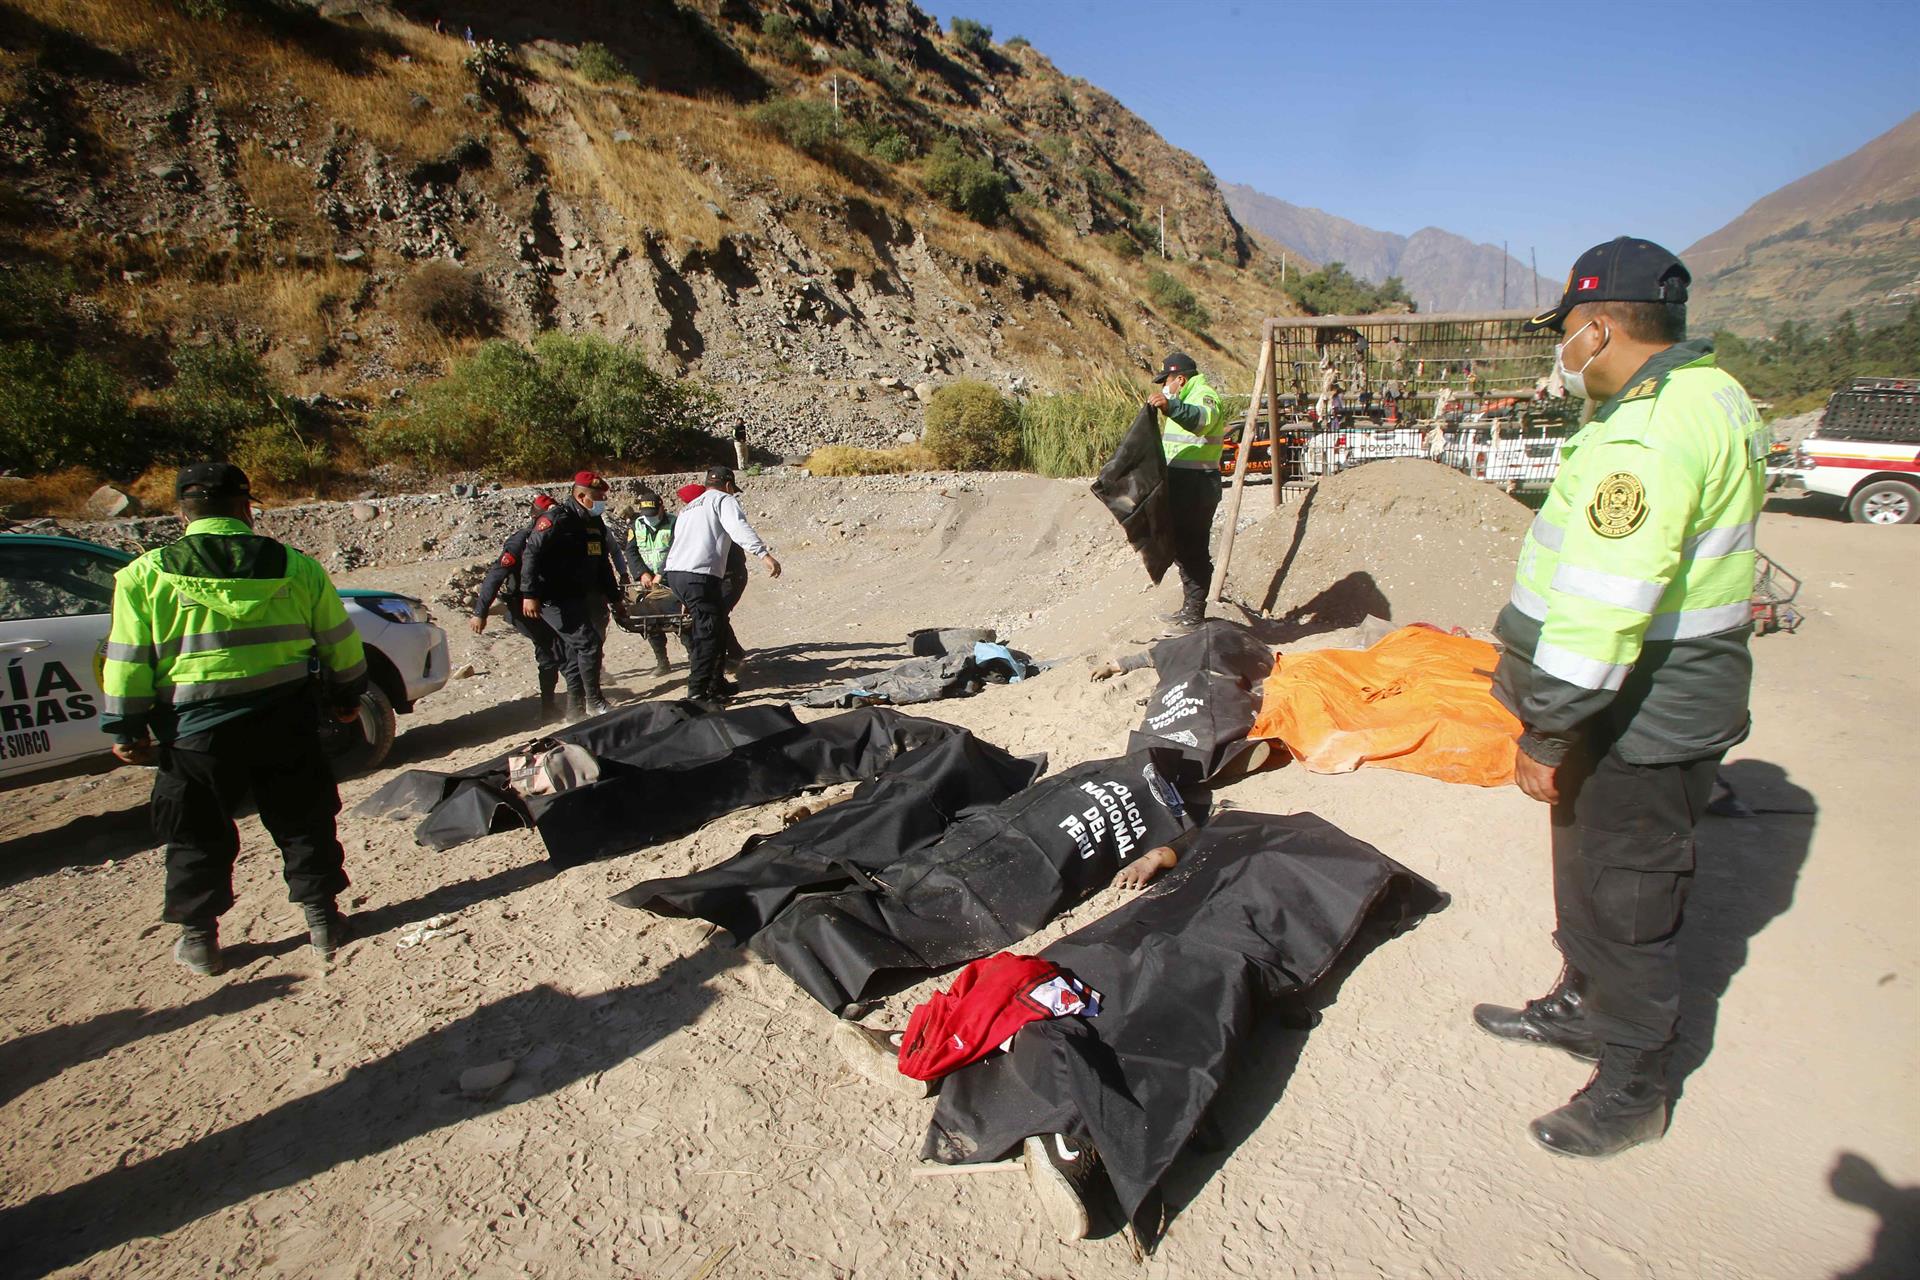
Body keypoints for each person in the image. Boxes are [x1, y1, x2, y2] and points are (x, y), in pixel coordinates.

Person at [1475, 236, 1766, 1159]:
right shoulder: (1695, 393)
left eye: (1562, 333)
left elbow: (1604, 609)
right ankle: (1581, 1005)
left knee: (1629, 897)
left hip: (1639, 709)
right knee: (1588, 869)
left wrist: (1549, 730)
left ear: (1597, 328)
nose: (1558, 352)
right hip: (1630, 703)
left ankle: (1636, 1083)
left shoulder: (1647, 434)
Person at [99, 463, 368, 976]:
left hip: (195, 732)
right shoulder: (297, 566)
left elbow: (128, 660)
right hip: (285, 719)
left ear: (182, 512)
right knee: (304, 819)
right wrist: (347, 695)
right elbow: (340, 641)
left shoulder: (144, 576)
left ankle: (200, 940)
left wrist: (126, 728)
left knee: (197, 832)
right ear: (247, 508)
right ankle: (323, 921)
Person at [663, 465, 780, 709]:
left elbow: (678, 543)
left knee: (715, 629)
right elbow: (738, 528)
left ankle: (716, 685)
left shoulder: (690, 507)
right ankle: (697, 694)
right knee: (708, 634)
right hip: (698, 576)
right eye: (732, 490)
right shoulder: (722, 500)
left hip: (678, 574)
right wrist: (763, 555)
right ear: (728, 486)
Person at [521, 470, 625, 721]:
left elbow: (602, 564)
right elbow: (531, 554)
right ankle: (594, 702)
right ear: (580, 496)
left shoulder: (594, 523)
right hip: (552, 598)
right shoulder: (557, 519)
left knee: (574, 651)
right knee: (588, 644)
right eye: (597, 496)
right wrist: (529, 593)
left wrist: (615, 598)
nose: (602, 501)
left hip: (579, 597)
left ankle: (574, 711)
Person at [1144, 351, 1224, 629]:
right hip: (1182, 482)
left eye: (1167, 380)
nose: (1165, 386)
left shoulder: (1202, 394)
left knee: (1194, 548)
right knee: (1180, 546)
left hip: (1198, 484)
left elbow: (1203, 420)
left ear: (1180, 378)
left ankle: (1195, 612)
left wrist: (1171, 407)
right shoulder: (1182, 398)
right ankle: (1189, 607)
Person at [471, 493, 567, 719]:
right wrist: (480, 612)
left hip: (549, 603)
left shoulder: (556, 538)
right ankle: (550, 705)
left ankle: (560, 701)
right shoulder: (520, 542)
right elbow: (495, 577)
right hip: (522, 607)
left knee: (561, 647)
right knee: (549, 649)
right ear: (537, 517)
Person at [626, 488, 676, 676]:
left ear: (661, 508)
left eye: (653, 514)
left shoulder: (674, 523)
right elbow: (631, 552)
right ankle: (662, 662)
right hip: (647, 582)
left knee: (682, 621)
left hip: (671, 578)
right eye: (646, 514)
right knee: (649, 621)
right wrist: (642, 574)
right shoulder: (636, 525)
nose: (650, 518)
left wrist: (661, 574)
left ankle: (696, 661)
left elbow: (675, 549)